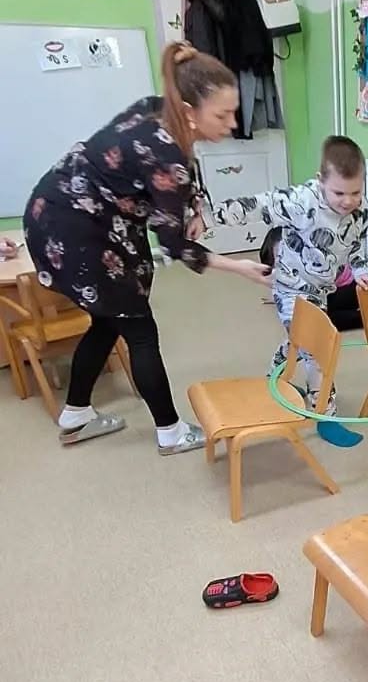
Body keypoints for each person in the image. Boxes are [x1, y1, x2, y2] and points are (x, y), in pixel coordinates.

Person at [23, 42, 270, 453]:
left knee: (108, 320)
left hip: (72, 210)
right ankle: (170, 431)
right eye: (221, 115)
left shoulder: (158, 108)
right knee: (138, 328)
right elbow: (173, 243)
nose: (231, 124)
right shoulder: (166, 156)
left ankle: (76, 413)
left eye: (234, 112)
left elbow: (184, 167)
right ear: (189, 111)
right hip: (73, 228)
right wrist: (239, 267)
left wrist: (195, 204)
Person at [211, 135, 368, 416]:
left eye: (355, 192)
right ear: (320, 181)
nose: (348, 201)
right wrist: (208, 216)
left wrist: (360, 268)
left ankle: (278, 365)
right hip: (289, 288)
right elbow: (258, 205)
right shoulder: (301, 201)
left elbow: (356, 244)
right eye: (338, 193)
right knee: (316, 348)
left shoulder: (360, 209)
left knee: (303, 339)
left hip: (322, 290)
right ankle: (324, 410)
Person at [257, 226, 368, 334]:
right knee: (313, 316)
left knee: (319, 317)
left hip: (349, 287)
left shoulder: (316, 262)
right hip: (330, 292)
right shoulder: (281, 271)